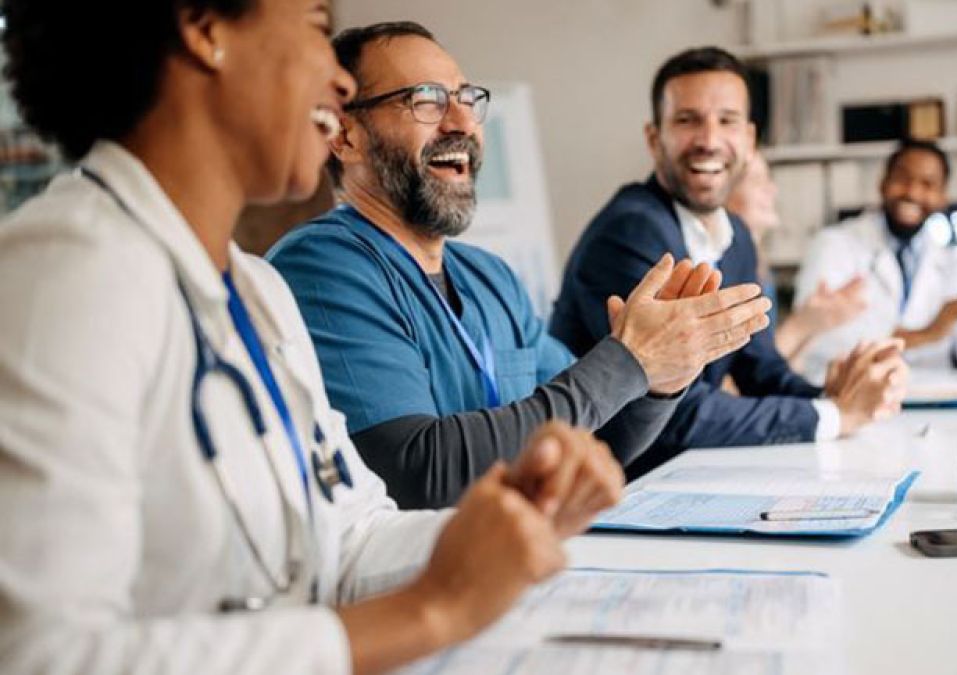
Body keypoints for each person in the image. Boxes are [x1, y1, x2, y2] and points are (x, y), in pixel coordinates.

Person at [0, 2, 623, 673]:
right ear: (205, 28)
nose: (343, 84)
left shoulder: (257, 292)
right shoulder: (69, 273)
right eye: (316, 27)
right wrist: (430, 609)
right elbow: (40, 657)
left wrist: (510, 519)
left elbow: (348, 540)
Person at [267, 23, 771, 506]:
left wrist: (661, 379)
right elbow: (417, 472)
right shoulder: (322, 268)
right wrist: (627, 361)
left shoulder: (490, 278)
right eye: (426, 101)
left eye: (467, 99)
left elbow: (599, 443)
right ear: (345, 135)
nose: (463, 123)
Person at [550, 46, 907, 479]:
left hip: (685, 471)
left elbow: (759, 367)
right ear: (653, 138)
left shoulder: (734, 235)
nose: (708, 140)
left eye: (727, 120)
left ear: (750, 140)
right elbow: (676, 408)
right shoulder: (631, 232)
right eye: (687, 120)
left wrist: (836, 394)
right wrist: (833, 416)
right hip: (613, 487)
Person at [794, 139, 957, 380]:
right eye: (903, 179)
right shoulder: (834, 245)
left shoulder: (953, 265)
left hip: (933, 406)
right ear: (883, 183)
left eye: (927, 184)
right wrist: (926, 334)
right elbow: (814, 338)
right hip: (849, 400)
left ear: (942, 197)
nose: (912, 192)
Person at [725, 150, 867, 367]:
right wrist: (801, 326)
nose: (771, 189)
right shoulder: (721, 273)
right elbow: (730, 386)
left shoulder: (760, 268)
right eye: (755, 180)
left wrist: (817, 324)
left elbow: (778, 372)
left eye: (768, 179)